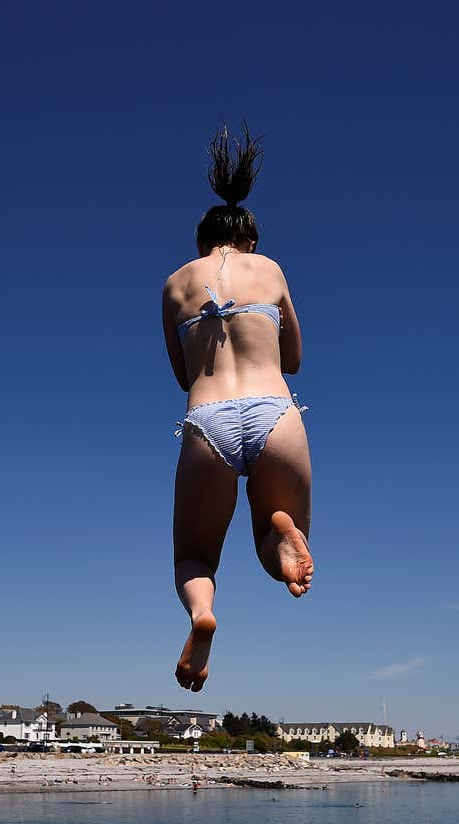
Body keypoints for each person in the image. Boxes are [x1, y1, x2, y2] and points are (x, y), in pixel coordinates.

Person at [163, 123, 314, 693]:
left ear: (202, 240)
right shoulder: (270, 270)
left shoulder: (176, 283)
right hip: (276, 412)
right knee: (269, 527)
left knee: (195, 555)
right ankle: (280, 529)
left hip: (208, 421)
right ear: (250, 238)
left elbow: (182, 373)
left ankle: (202, 616)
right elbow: (294, 357)